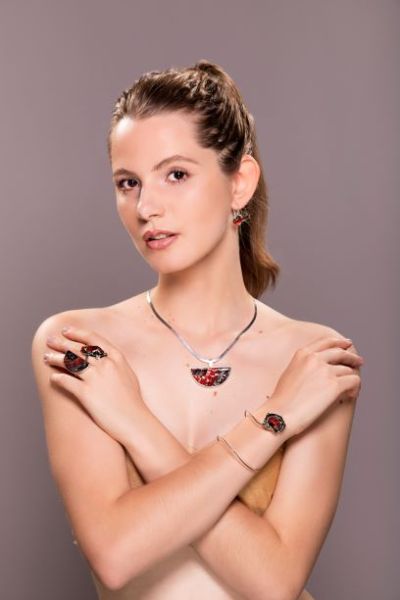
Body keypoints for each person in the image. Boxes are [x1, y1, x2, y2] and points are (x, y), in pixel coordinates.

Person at [31, 59, 363, 600]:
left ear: (240, 183)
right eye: (128, 183)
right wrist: (275, 420)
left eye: (176, 175)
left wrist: (134, 423)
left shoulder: (314, 360)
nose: (146, 207)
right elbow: (115, 553)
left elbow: (274, 581)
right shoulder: (80, 345)